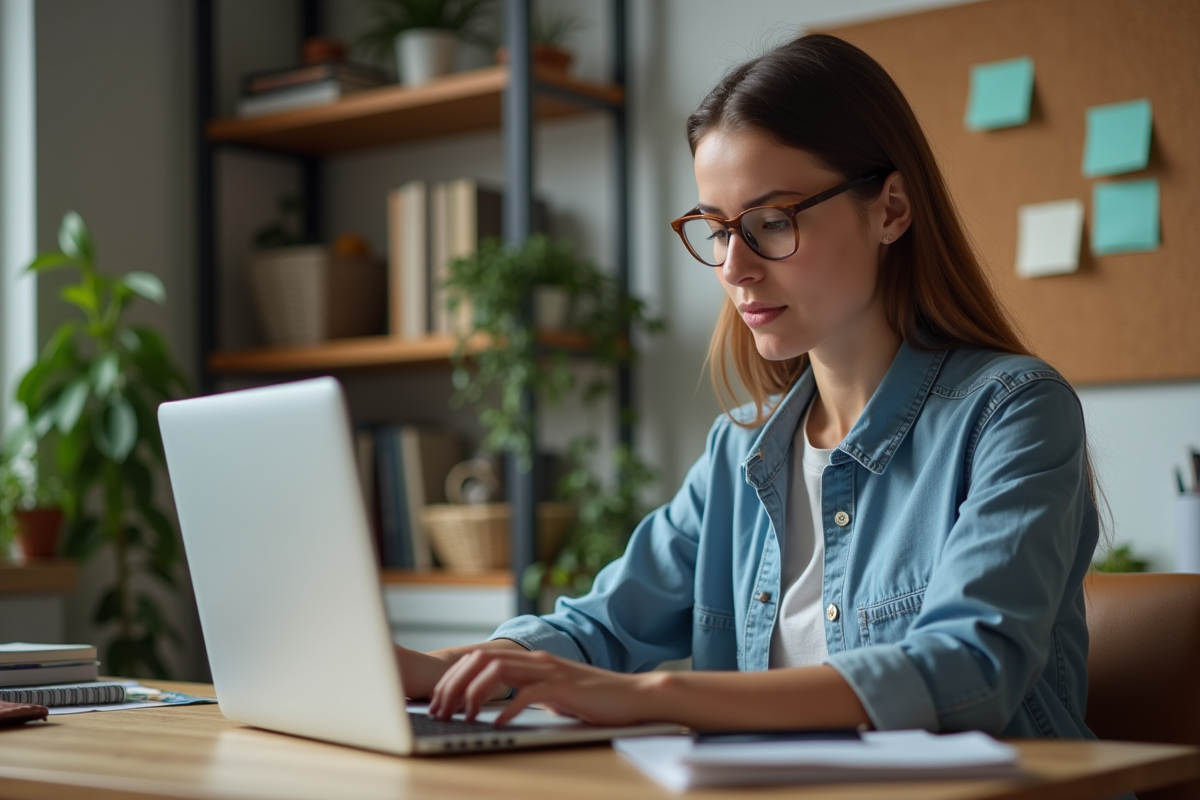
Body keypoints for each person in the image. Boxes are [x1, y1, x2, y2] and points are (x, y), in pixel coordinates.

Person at [395, 32, 1102, 739]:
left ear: (890, 209)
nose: (734, 266)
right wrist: (431, 671)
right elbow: (603, 625)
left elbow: (968, 670)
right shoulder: (740, 449)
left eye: (771, 222)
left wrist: (658, 695)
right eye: (716, 229)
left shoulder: (1012, 412)